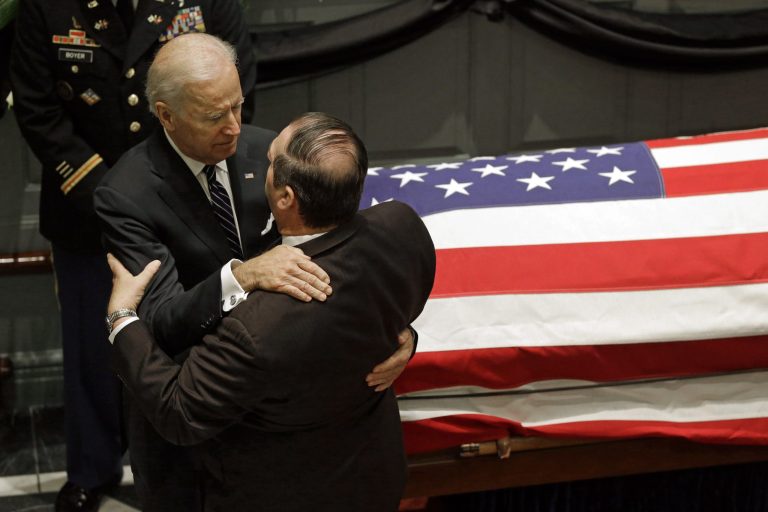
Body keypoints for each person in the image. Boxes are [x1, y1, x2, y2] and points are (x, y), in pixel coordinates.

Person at [94, 34, 418, 511]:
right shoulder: (126, 195)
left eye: (238, 106)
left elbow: (351, 259)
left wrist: (399, 334)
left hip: (289, 431)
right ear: (166, 115)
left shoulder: (271, 155)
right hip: (193, 425)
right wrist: (241, 277)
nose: (234, 128)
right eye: (213, 116)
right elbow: (160, 321)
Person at [9, 1, 257, 510]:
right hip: (83, 213)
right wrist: (116, 197)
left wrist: (150, 196)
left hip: (187, 207)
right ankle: (92, 469)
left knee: (187, 333)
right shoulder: (47, 6)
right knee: (93, 349)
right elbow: (37, 106)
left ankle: (190, 469)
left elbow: (237, 89)